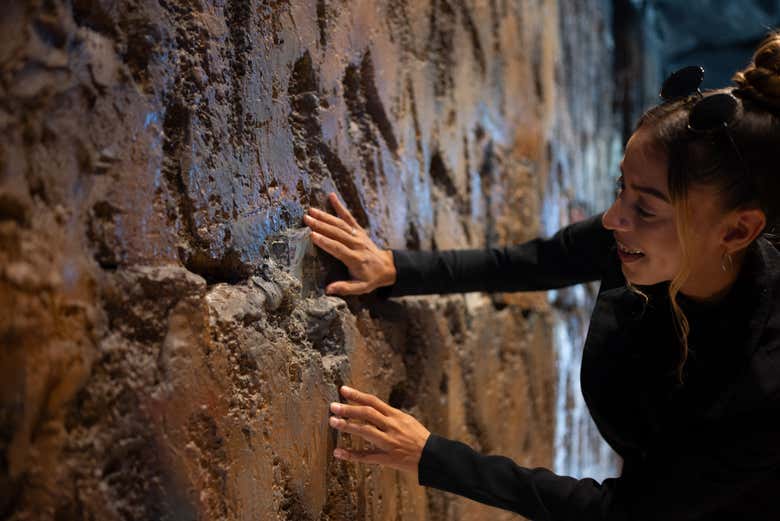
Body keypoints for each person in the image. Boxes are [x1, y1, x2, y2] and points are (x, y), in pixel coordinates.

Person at [302, 33, 780, 520]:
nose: (614, 217)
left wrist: (431, 455)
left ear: (738, 230)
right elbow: (539, 260)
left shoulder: (765, 390)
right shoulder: (650, 239)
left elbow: (624, 512)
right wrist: (394, 268)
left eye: (645, 207)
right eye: (622, 188)